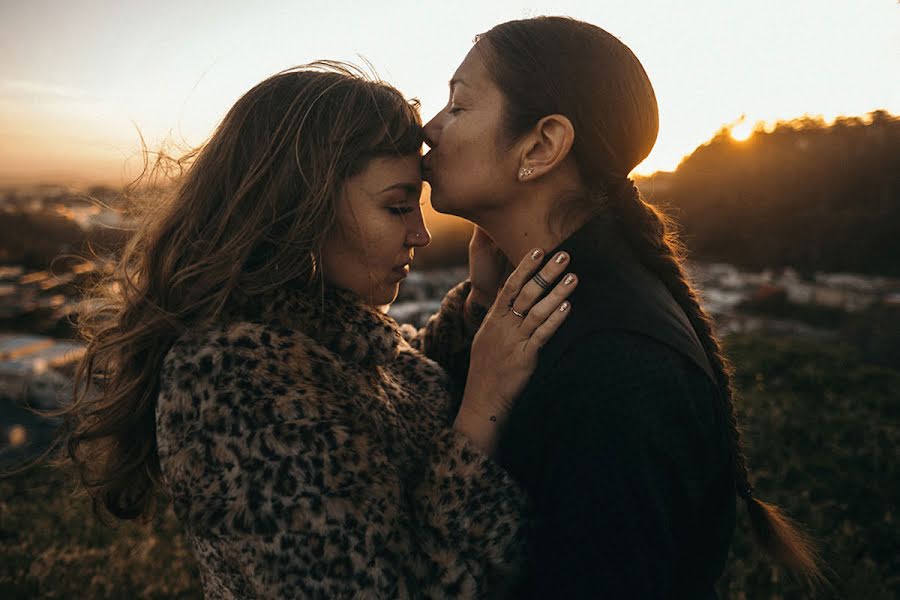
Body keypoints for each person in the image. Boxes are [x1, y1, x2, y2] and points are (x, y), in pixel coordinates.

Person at [61, 62, 578, 598]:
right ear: (299, 209)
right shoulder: (232, 383)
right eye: (398, 207)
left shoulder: (318, 330)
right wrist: (484, 401)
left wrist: (478, 306)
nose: (421, 235)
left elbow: (386, 407)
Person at [423, 16, 822, 598]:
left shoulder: (614, 362)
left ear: (542, 144)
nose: (430, 128)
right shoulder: (540, 311)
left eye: (458, 106)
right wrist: (480, 307)